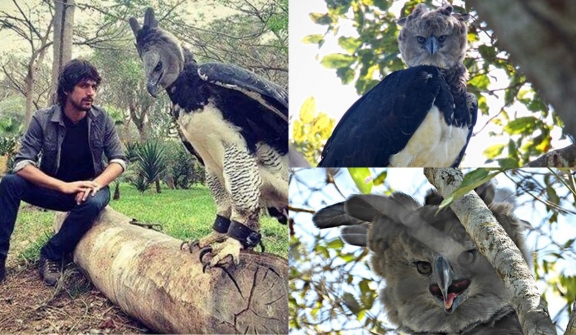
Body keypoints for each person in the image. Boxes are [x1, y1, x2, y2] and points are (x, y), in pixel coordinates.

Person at [0, 59, 127, 286]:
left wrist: (95, 184)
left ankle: (52, 253)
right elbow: (22, 164)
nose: (91, 93)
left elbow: (118, 160)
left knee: (92, 202)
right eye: (84, 86)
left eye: (94, 87)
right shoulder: (43, 119)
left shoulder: (102, 119)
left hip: (89, 189)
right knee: (10, 183)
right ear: (67, 89)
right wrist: (63, 186)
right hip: (54, 189)